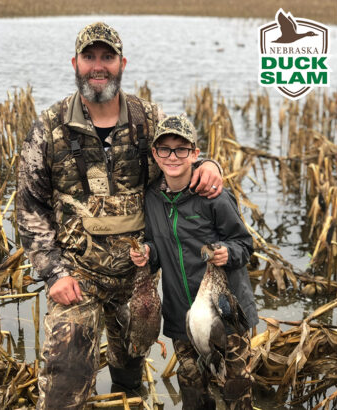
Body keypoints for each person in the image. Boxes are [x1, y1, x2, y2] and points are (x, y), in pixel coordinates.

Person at [15, 22, 224, 409]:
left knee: (129, 374)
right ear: (74, 63)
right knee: (65, 380)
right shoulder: (50, 126)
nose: (99, 66)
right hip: (77, 278)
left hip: (139, 279)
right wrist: (54, 273)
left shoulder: (147, 118)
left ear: (122, 63)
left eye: (107, 57)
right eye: (89, 57)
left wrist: (209, 164)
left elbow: (183, 156)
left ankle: (129, 393)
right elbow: (29, 206)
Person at [129, 115, 257, 409]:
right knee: (193, 397)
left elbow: (244, 244)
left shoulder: (214, 197)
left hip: (227, 318)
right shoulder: (151, 199)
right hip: (182, 319)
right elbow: (158, 246)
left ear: (195, 154)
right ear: (155, 155)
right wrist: (147, 253)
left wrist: (227, 251)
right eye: (165, 149)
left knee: (236, 393)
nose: (173, 156)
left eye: (181, 149)